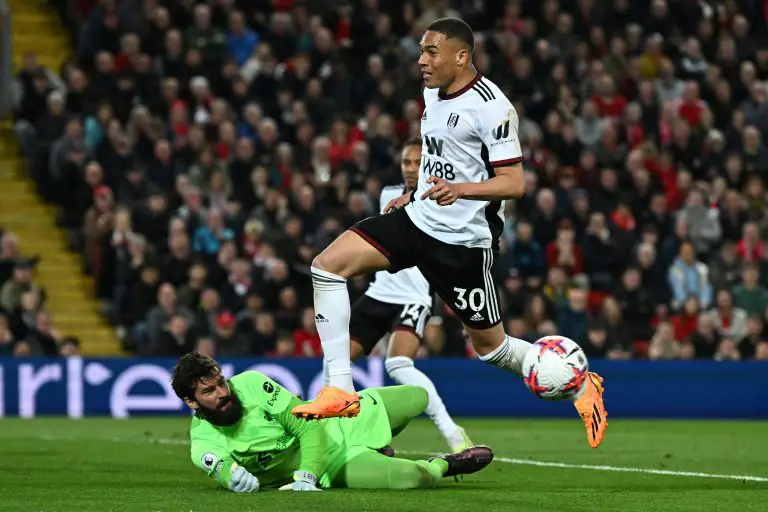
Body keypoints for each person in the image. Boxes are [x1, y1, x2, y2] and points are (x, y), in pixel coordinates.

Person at [292, 17, 608, 449]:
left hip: (462, 245)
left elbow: (514, 183)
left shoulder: (492, 106)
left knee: (491, 348)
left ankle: (579, 383)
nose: (421, 61)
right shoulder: (431, 93)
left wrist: (460, 189)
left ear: (462, 56)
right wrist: (415, 193)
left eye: (431, 52)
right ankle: (341, 391)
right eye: (421, 51)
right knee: (326, 267)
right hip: (418, 220)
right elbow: (437, 154)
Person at [323, 137, 471, 452]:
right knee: (334, 360)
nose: (411, 168)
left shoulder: (442, 196)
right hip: (381, 292)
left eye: (418, 162)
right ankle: (337, 435)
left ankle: (453, 433)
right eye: (406, 162)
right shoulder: (389, 195)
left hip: (413, 297)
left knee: (398, 365)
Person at [172, 351, 494, 492]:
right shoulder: (204, 445)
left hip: (336, 422)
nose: (223, 392)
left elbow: (306, 423)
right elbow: (224, 470)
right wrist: (234, 479)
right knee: (416, 477)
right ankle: (446, 464)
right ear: (191, 402)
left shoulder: (253, 384)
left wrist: (305, 475)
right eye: (209, 391)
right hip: (335, 464)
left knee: (418, 397)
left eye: (221, 382)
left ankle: (379, 446)